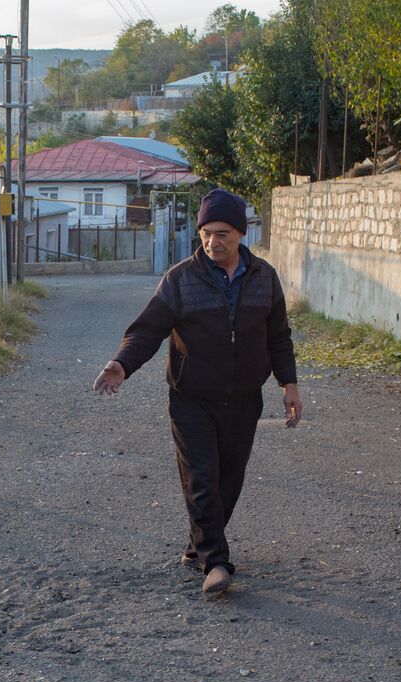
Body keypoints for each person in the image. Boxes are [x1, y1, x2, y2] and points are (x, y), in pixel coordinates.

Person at [93, 188, 301, 596]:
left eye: (222, 233)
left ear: (241, 233)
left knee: (229, 480)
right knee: (202, 478)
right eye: (206, 233)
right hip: (191, 398)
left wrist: (288, 384)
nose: (212, 242)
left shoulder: (264, 278)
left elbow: (278, 336)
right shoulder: (180, 279)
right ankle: (217, 562)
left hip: (244, 398)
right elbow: (147, 330)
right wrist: (122, 364)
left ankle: (198, 546)